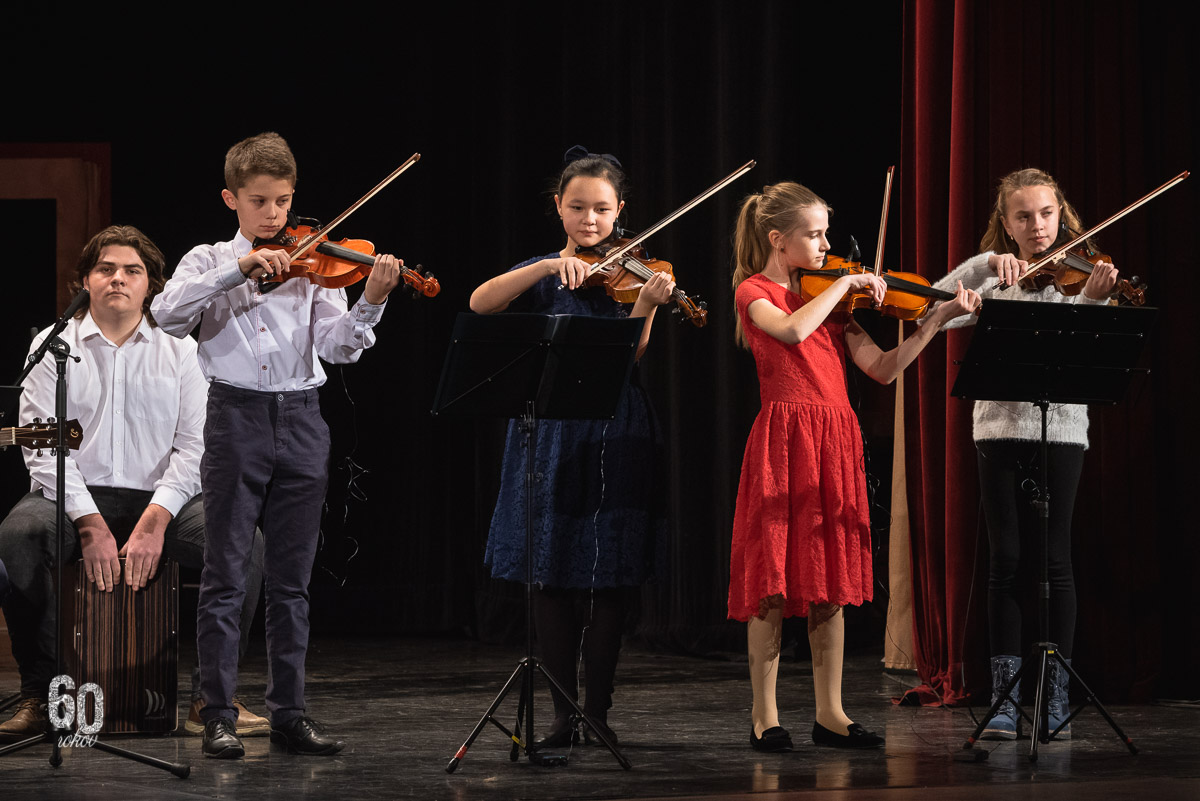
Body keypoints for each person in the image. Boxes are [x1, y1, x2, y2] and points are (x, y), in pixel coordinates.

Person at [151, 132, 404, 758]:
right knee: (226, 573)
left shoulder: (315, 262)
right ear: (231, 198)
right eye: (260, 201)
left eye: (284, 202)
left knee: (292, 581)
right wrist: (235, 271)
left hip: (303, 418)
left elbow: (336, 347)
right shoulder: (206, 259)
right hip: (233, 417)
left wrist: (370, 303)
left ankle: (289, 713)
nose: (274, 216)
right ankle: (217, 714)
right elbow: (166, 315)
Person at [729, 182, 980, 752]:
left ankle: (830, 714)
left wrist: (932, 323)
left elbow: (885, 369)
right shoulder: (756, 291)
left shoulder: (836, 309)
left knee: (828, 585)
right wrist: (844, 280)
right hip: (786, 439)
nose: (825, 246)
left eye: (825, 234)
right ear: (778, 239)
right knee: (773, 582)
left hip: (834, 440)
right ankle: (764, 717)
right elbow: (791, 330)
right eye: (814, 235)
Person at [0, 225, 266, 743]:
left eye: (132, 271)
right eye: (105, 269)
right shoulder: (51, 346)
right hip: (72, 493)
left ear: (151, 286)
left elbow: (194, 448)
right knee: (18, 537)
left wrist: (157, 518)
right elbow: (42, 449)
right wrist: (89, 522)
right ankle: (40, 695)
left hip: (163, 498)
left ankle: (210, 698)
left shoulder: (181, 349)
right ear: (84, 280)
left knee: (241, 542)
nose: (117, 278)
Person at [469, 146, 674, 749]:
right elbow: (480, 303)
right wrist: (542, 269)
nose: (590, 220)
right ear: (558, 207)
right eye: (578, 208)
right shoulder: (545, 271)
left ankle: (598, 710)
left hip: (616, 428)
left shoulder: (632, 271)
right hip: (550, 432)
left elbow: (629, 355)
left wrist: (646, 301)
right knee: (550, 572)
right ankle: (561, 715)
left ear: (620, 212)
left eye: (603, 210)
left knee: (610, 573)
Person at [928, 168, 1118, 740]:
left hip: (1061, 434)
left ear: (1061, 215)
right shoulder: (997, 274)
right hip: (996, 431)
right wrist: (983, 267)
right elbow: (929, 307)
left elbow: (1094, 355)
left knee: (1055, 562)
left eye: (1046, 214)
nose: (1037, 227)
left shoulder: (1081, 278)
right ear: (1005, 225)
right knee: (1005, 562)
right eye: (1023, 217)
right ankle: (1007, 701)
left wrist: (1089, 301)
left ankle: (1054, 695)